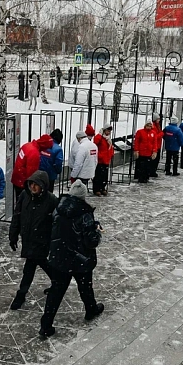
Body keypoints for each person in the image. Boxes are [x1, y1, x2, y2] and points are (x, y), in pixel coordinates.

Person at [40, 180, 103, 338]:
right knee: (85, 287)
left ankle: (46, 325)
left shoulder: (58, 209)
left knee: (56, 291)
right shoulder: (85, 214)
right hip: (80, 258)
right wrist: (96, 229)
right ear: (83, 197)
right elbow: (91, 241)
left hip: (60, 257)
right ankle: (91, 310)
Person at [8, 170, 58, 310]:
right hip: (28, 239)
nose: (33, 187)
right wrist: (13, 234)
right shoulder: (25, 195)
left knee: (29, 268)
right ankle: (57, 283)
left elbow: (57, 223)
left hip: (42, 241)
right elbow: (17, 215)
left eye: (36, 185)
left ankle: (21, 294)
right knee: (42, 263)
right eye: (31, 184)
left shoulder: (51, 200)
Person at [93, 123, 113, 196]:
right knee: (98, 175)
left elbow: (110, 148)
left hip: (106, 159)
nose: (108, 133)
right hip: (100, 160)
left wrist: (110, 154)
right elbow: (95, 147)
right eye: (107, 131)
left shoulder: (108, 139)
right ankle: (97, 189)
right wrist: (100, 156)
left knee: (104, 175)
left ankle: (102, 188)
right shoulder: (98, 137)